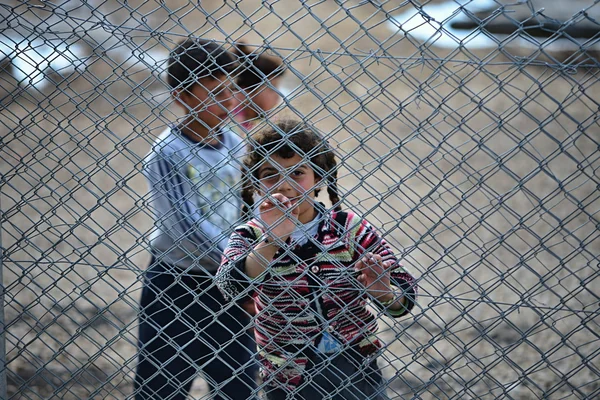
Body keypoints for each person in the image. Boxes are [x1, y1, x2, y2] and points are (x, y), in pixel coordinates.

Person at [216, 119, 418, 399]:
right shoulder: (251, 235)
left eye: (297, 173)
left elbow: (403, 298)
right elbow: (229, 286)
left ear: (319, 178)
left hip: (356, 363)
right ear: (256, 183)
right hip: (287, 373)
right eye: (271, 175)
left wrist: (384, 293)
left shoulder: (349, 228)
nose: (284, 185)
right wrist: (272, 240)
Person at [134, 38, 258, 400]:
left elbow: (248, 206)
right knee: (162, 384)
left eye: (231, 90)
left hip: (231, 286)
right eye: (214, 93)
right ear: (182, 98)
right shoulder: (168, 153)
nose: (229, 102)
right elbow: (183, 226)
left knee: (238, 381)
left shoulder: (236, 145)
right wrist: (238, 265)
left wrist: (248, 265)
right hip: (177, 284)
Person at [230, 42, 286, 130]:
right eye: (272, 88)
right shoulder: (229, 125)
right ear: (247, 90)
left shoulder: (271, 123)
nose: (278, 95)